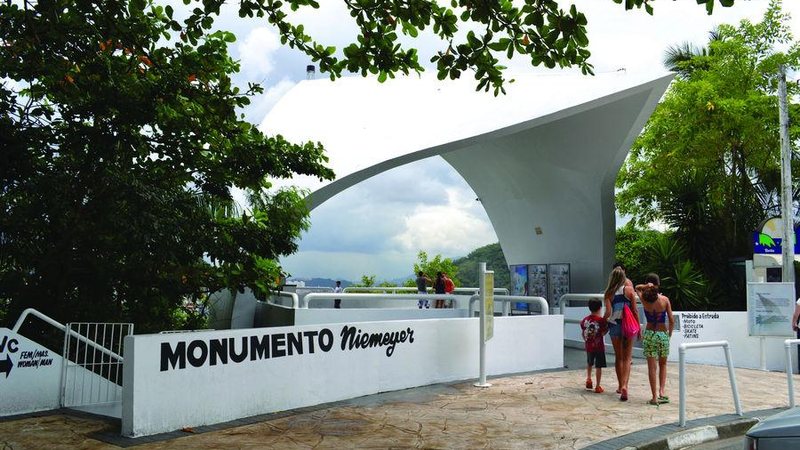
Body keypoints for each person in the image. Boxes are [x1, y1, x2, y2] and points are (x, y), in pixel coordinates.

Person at [603, 266, 639, 402]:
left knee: (619, 357)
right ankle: (625, 385)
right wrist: (638, 327)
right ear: (623, 277)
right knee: (627, 357)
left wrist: (603, 325)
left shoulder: (608, 293)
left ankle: (619, 386)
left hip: (614, 326)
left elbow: (607, 313)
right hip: (628, 326)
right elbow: (635, 311)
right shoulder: (629, 290)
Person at [636, 276, 674, 405]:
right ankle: (662, 392)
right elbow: (671, 320)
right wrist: (669, 334)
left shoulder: (644, 299)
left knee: (651, 367)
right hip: (662, 334)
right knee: (663, 364)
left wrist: (646, 286)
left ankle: (654, 397)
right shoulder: (664, 300)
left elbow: (637, 287)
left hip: (650, 334)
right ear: (659, 284)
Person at [580, 298, 608, 394]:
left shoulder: (585, 320)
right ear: (600, 308)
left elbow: (583, 333)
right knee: (598, 366)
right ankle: (597, 386)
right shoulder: (601, 321)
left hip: (589, 346)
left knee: (589, 363)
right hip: (599, 347)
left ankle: (588, 379)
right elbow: (603, 332)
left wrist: (586, 340)